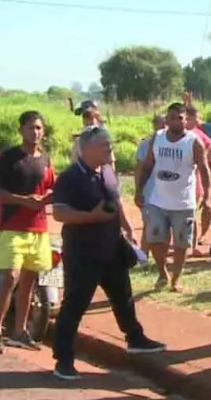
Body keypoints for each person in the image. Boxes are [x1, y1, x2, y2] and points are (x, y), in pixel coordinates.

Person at [51, 125, 165, 380]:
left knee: (123, 298)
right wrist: (91, 217)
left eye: (109, 144)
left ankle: (135, 339)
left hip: (112, 248)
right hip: (83, 253)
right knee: (75, 305)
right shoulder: (70, 177)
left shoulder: (108, 171)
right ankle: (63, 359)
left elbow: (117, 202)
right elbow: (60, 213)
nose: (109, 148)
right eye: (104, 145)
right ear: (87, 148)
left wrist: (128, 228)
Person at [0, 110, 56, 354]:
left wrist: (45, 199)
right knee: (10, 278)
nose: (34, 132)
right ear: (21, 130)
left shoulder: (45, 159)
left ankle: (20, 331)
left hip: (38, 229)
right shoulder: (9, 158)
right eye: (30, 128)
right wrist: (24, 200)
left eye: (38, 128)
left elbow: (52, 190)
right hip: (11, 228)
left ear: (43, 131)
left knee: (29, 280)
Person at [139, 102, 211, 292]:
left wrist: (207, 197)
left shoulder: (193, 142)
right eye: (171, 118)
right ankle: (163, 274)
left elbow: (204, 171)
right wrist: (139, 190)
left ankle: (176, 280)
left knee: (181, 243)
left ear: (186, 120)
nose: (174, 121)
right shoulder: (158, 138)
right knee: (155, 240)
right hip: (157, 201)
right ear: (166, 119)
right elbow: (148, 165)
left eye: (179, 118)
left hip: (183, 202)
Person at [133, 113, 167, 255]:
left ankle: (160, 256)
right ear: (154, 126)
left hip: (167, 191)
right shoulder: (146, 144)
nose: (164, 126)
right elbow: (139, 169)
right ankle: (144, 254)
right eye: (161, 123)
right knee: (150, 224)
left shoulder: (174, 143)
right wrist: (138, 190)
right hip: (150, 191)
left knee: (165, 225)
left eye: (166, 123)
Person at [185, 103, 211, 254]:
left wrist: (202, 161)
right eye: (194, 118)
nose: (197, 120)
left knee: (192, 213)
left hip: (195, 180)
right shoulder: (174, 134)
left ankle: (193, 245)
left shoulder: (197, 133)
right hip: (179, 182)